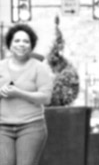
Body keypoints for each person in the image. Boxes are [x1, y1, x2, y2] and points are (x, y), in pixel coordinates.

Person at [0, 24, 54, 165]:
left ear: (31, 45)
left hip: (31, 126)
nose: (21, 44)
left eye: (26, 41)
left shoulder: (39, 68)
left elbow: (46, 98)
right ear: (10, 44)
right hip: (2, 128)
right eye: (17, 41)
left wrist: (19, 93)